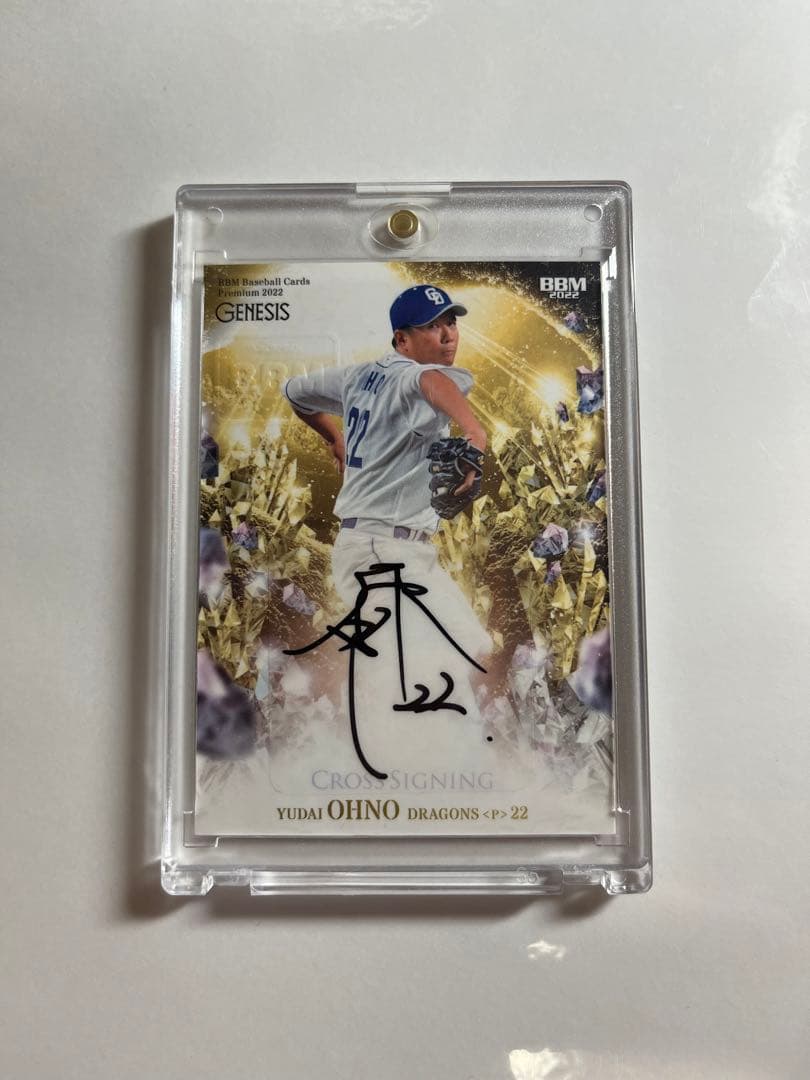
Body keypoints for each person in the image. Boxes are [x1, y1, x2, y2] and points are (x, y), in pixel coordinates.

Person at [282, 284, 491, 663]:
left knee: (475, 650)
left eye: (451, 322)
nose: (448, 335)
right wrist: (474, 431)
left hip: (394, 549)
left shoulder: (357, 376)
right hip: (381, 550)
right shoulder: (412, 376)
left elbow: (295, 392)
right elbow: (430, 381)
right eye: (432, 326)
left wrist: (334, 437)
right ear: (402, 339)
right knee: (417, 662)